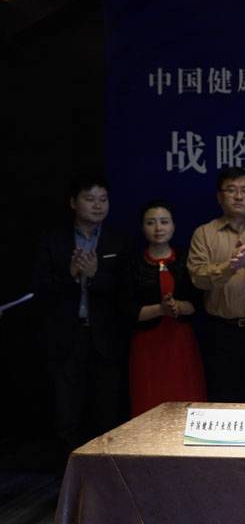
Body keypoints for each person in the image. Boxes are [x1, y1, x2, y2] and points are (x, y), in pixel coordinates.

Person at [32, 176, 129, 461]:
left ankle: (107, 474)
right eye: (90, 199)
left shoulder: (118, 240)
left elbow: (126, 292)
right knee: (66, 412)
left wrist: (95, 276)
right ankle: (68, 477)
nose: (98, 205)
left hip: (105, 339)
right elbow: (40, 289)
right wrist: (72, 276)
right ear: (73, 202)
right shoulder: (52, 240)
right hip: (65, 337)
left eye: (103, 199)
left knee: (107, 411)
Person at [187, 167, 245, 403]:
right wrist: (229, 267)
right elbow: (198, 278)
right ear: (219, 197)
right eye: (231, 190)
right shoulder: (204, 233)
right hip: (220, 332)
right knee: (223, 398)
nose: (239, 196)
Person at [128, 200, 206, 417]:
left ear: (173, 226)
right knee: (148, 398)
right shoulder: (133, 262)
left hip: (180, 341)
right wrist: (160, 309)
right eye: (151, 223)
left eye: (164, 222)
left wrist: (178, 307)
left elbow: (198, 303)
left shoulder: (186, 259)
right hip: (147, 343)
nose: (158, 228)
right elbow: (127, 309)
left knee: (185, 398)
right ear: (142, 227)